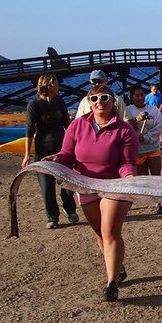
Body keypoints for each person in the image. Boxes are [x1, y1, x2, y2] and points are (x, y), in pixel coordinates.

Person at [43, 84, 139, 302]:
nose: (99, 102)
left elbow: (126, 162)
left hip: (114, 186)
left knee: (110, 231)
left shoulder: (124, 130)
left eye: (104, 97)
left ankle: (111, 283)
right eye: (94, 98)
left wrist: (129, 179)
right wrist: (56, 159)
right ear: (89, 102)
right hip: (84, 185)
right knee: (99, 233)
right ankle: (117, 265)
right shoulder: (77, 126)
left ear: (113, 101)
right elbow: (67, 154)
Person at [22, 74, 79, 229]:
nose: (59, 86)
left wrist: (77, 142)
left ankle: (70, 209)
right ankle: (52, 217)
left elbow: (67, 124)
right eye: (56, 83)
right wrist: (27, 154)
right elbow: (29, 130)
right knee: (47, 187)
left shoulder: (59, 102)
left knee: (67, 182)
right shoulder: (34, 105)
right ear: (48, 86)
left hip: (62, 148)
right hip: (43, 149)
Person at [126, 84, 162, 215]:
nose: (140, 98)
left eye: (142, 95)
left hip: (153, 149)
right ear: (132, 97)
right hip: (138, 152)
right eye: (137, 96)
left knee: (156, 178)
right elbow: (125, 127)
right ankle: (149, 199)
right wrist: (136, 121)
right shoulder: (128, 110)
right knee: (144, 180)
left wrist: (146, 138)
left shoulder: (153, 110)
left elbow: (158, 126)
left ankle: (158, 203)